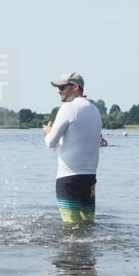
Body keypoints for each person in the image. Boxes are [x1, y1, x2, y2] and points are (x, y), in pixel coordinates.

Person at [42, 71, 102, 225]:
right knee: (88, 225)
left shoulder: (67, 108)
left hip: (68, 178)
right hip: (89, 178)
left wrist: (48, 132)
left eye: (62, 87)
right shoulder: (95, 111)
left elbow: (51, 142)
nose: (58, 90)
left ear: (75, 87)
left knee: (70, 228)